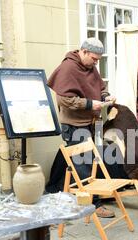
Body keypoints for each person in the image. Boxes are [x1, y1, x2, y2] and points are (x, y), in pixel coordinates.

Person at [47, 38, 118, 218]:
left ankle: (55, 193)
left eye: (98, 60)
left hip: (91, 123)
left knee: (81, 161)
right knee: (83, 165)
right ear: (84, 51)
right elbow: (64, 100)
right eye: (94, 58)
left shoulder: (90, 67)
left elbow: (100, 87)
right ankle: (93, 205)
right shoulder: (68, 68)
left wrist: (106, 97)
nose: (96, 63)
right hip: (74, 124)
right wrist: (89, 105)